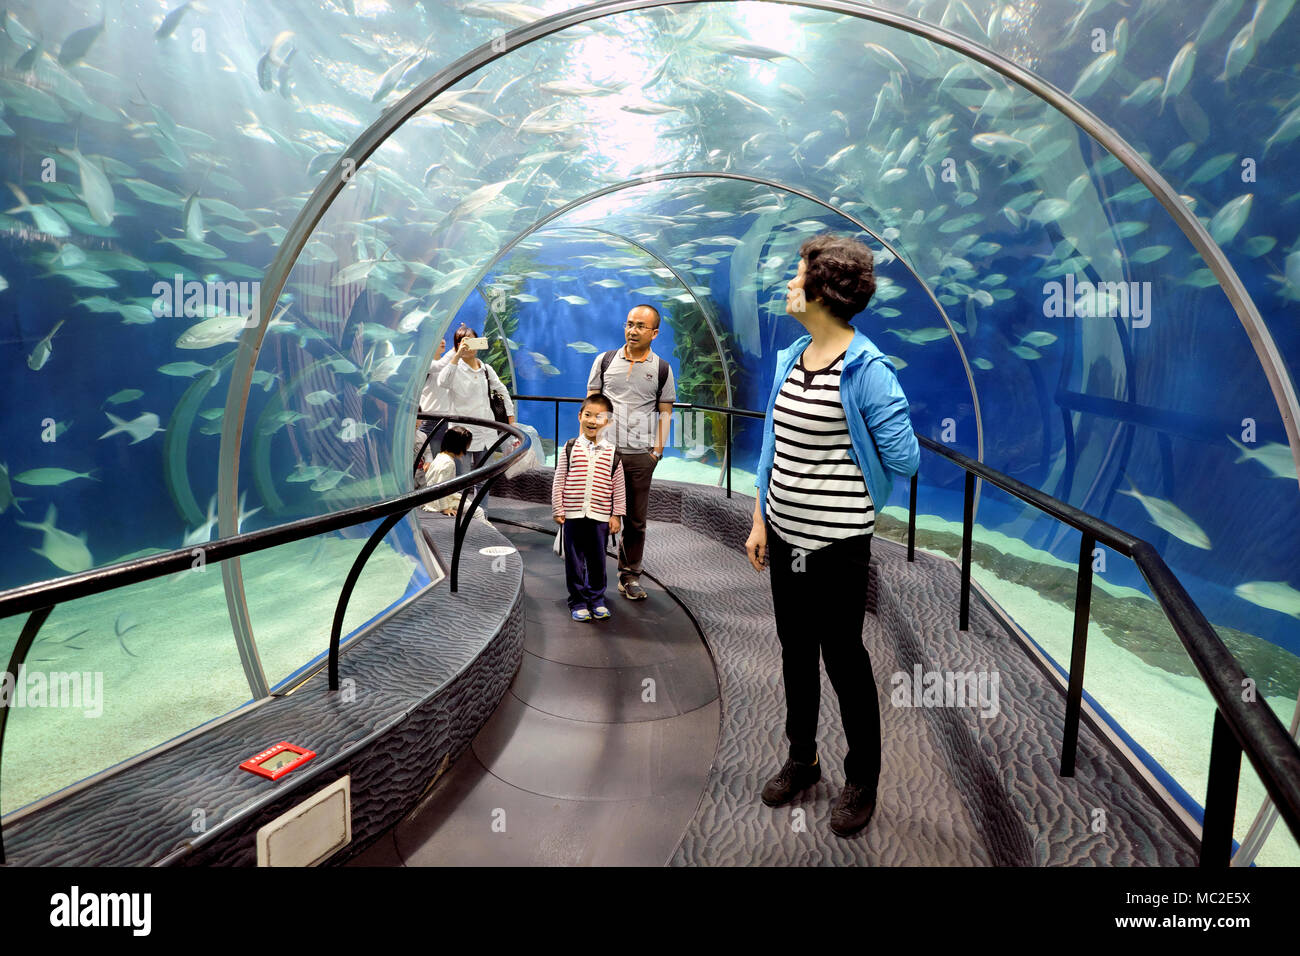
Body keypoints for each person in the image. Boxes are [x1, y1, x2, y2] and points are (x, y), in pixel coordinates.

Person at [744, 234, 919, 838]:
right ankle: (802, 759)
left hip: (839, 545)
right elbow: (775, 446)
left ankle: (862, 779)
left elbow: (906, 458)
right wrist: (761, 517)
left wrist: (858, 478)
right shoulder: (792, 355)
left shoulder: (868, 369)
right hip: (785, 537)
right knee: (795, 651)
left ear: (822, 289)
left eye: (797, 275)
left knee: (844, 659)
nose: (789, 285)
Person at [586, 304, 675, 602]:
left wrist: (656, 453)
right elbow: (591, 404)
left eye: (640, 326)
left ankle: (629, 575)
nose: (633, 330)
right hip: (603, 453)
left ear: (654, 333)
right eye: (629, 324)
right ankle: (591, 574)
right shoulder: (604, 361)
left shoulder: (661, 368)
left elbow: (665, 412)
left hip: (639, 456)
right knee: (596, 515)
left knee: (635, 520)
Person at [552, 394, 626, 622]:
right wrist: (558, 508)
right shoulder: (570, 447)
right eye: (588, 415)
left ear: (609, 421)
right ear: (579, 416)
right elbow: (559, 478)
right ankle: (578, 600)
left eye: (599, 417)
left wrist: (616, 515)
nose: (593, 421)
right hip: (573, 515)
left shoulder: (613, 453)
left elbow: (619, 487)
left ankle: (596, 598)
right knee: (574, 561)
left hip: (600, 517)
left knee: (597, 560)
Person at [437, 324, 517, 514]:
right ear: (457, 345)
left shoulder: (486, 368)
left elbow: (502, 390)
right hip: (461, 433)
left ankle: (482, 517)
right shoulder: (454, 368)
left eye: (472, 340)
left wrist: (511, 419)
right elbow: (442, 381)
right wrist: (457, 356)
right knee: (463, 478)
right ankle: (463, 518)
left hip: (486, 431)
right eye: (463, 342)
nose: (469, 346)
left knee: (484, 478)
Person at [418, 426, 488, 523]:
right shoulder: (448, 463)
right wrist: (445, 508)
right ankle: (487, 530)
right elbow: (440, 487)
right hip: (438, 502)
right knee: (478, 511)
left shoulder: (440, 456)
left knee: (468, 504)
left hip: (434, 498)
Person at [415, 337, 451, 476]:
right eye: (438, 338)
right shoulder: (426, 364)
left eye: (444, 338)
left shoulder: (449, 365)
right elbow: (439, 366)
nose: (442, 341)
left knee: (445, 465)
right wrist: (456, 349)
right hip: (430, 419)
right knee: (432, 463)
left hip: (448, 419)